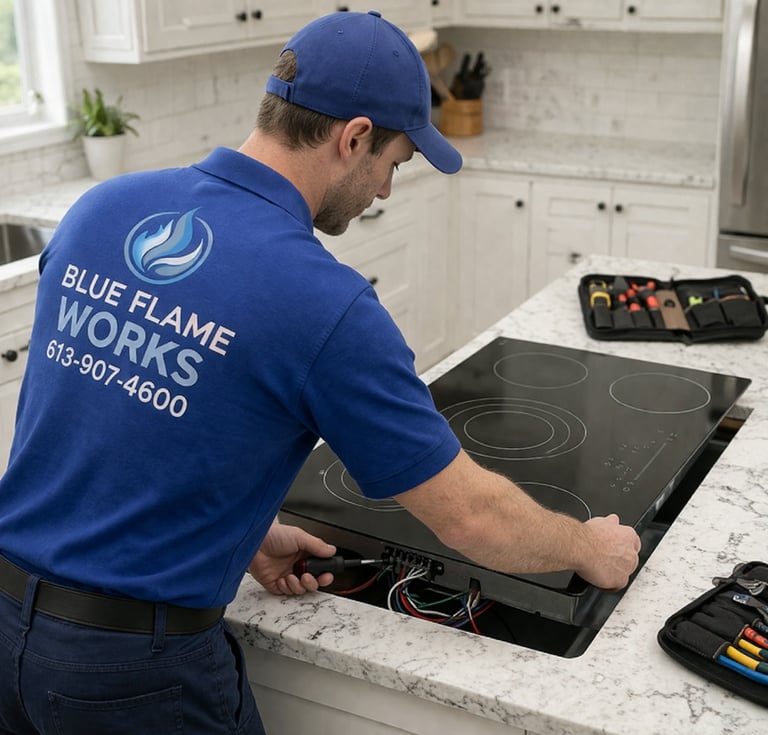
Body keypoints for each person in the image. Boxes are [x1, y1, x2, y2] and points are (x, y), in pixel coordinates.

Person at [0, 10, 641, 735]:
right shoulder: (323, 301)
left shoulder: (101, 210)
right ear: (355, 137)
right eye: (395, 163)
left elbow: (111, 420)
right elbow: (471, 515)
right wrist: (589, 546)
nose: (388, 191)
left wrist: (242, 536)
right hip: (131, 676)